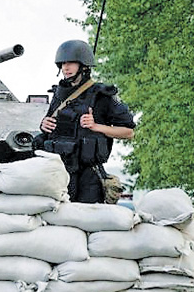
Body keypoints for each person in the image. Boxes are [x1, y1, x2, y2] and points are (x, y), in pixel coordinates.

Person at [36, 39, 135, 203]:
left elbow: (129, 132)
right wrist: (44, 125)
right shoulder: (59, 95)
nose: (65, 68)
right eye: (62, 64)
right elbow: (49, 130)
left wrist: (96, 126)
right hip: (59, 174)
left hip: (88, 178)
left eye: (71, 63)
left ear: (84, 65)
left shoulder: (102, 95)